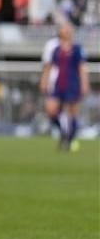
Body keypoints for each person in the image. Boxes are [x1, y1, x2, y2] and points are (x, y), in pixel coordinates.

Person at [40, 22, 89, 152]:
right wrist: (44, 81)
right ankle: (63, 131)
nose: (66, 31)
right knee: (51, 109)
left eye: (68, 29)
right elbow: (49, 67)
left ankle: (70, 140)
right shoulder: (56, 49)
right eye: (64, 28)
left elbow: (82, 67)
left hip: (73, 83)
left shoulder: (77, 48)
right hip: (58, 84)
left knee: (73, 113)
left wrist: (84, 83)